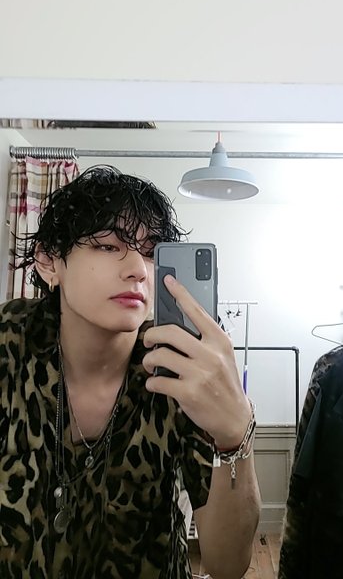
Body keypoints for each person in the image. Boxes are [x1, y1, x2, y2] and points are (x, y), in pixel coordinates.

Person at [0, 165, 261, 578]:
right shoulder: (8, 345)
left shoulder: (179, 365)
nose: (138, 268)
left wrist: (235, 435)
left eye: (152, 251)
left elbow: (226, 564)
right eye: (108, 246)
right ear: (50, 261)